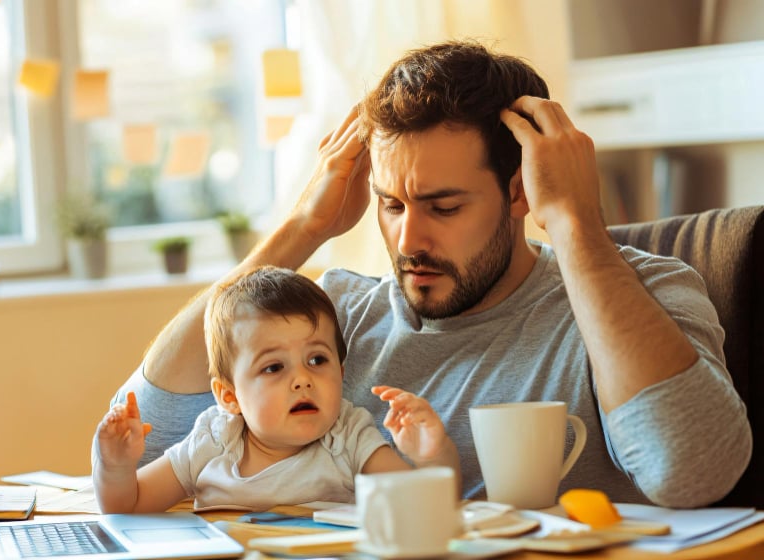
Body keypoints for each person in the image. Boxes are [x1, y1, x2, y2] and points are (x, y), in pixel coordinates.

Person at [103, 40, 751, 508]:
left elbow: (693, 473)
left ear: (521, 189)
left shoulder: (650, 292)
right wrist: (305, 226)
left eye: (443, 206)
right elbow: (153, 429)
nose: (408, 239)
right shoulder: (335, 317)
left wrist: (577, 224)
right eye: (391, 205)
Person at [92, 266, 459, 513]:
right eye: (273, 367)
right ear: (229, 397)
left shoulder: (348, 438)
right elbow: (128, 505)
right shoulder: (214, 441)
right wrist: (115, 466)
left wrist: (432, 455)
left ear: (341, 372)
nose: (302, 379)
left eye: (317, 360)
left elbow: (429, 506)